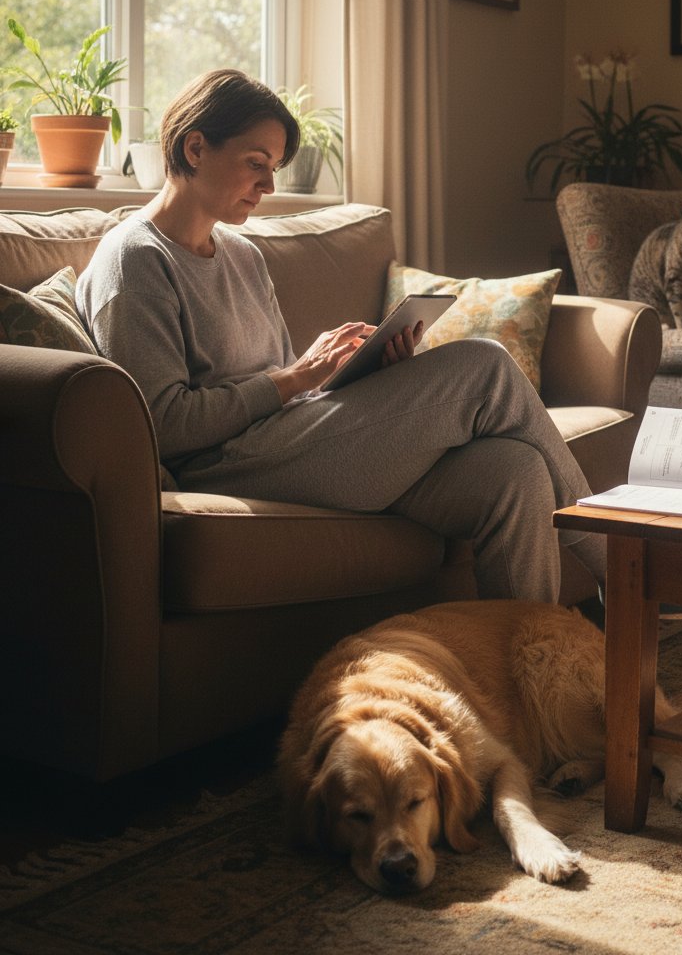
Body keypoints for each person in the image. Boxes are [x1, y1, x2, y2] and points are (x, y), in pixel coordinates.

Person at [76, 69, 605, 602]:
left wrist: (358, 377)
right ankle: (619, 566)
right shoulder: (135, 260)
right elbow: (162, 424)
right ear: (195, 148)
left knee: (515, 472)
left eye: (274, 168)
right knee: (484, 365)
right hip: (224, 466)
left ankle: (529, 653)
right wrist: (293, 379)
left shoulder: (243, 255)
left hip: (287, 443)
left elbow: (285, 391)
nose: (268, 186)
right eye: (256, 163)